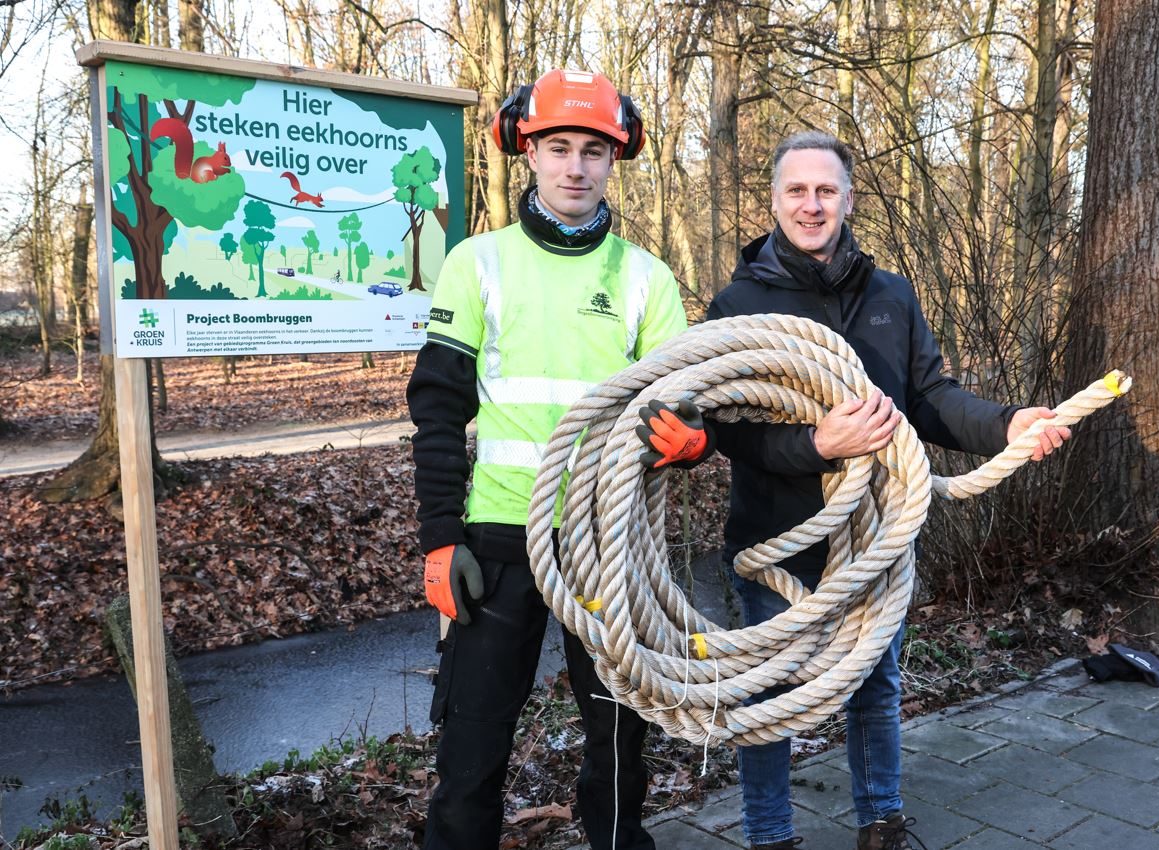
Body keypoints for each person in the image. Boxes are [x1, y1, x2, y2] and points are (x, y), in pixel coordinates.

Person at [637, 131, 1070, 850]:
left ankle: (881, 823)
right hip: (777, 538)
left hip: (875, 536)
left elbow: (930, 397)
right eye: (797, 191)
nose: (812, 205)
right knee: (766, 692)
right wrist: (817, 445)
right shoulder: (738, 304)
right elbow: (729, 432)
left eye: (826, 190)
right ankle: (770, 835)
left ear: (847, 198)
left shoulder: (890, 294)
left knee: (876, 685)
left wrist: (1007, 424)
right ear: (774, 201)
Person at [407, 69, 688, 850]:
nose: (575, 167)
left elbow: (680, 407)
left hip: (606, 544)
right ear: (525, 152)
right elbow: (436, 410)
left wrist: (691, 443)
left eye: (592, 150)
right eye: (557, 147)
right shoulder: (477, 263)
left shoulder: (645, 278)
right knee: (471, 747)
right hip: (499, 543)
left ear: (615, 157)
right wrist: (439, 536)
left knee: (620, 745)